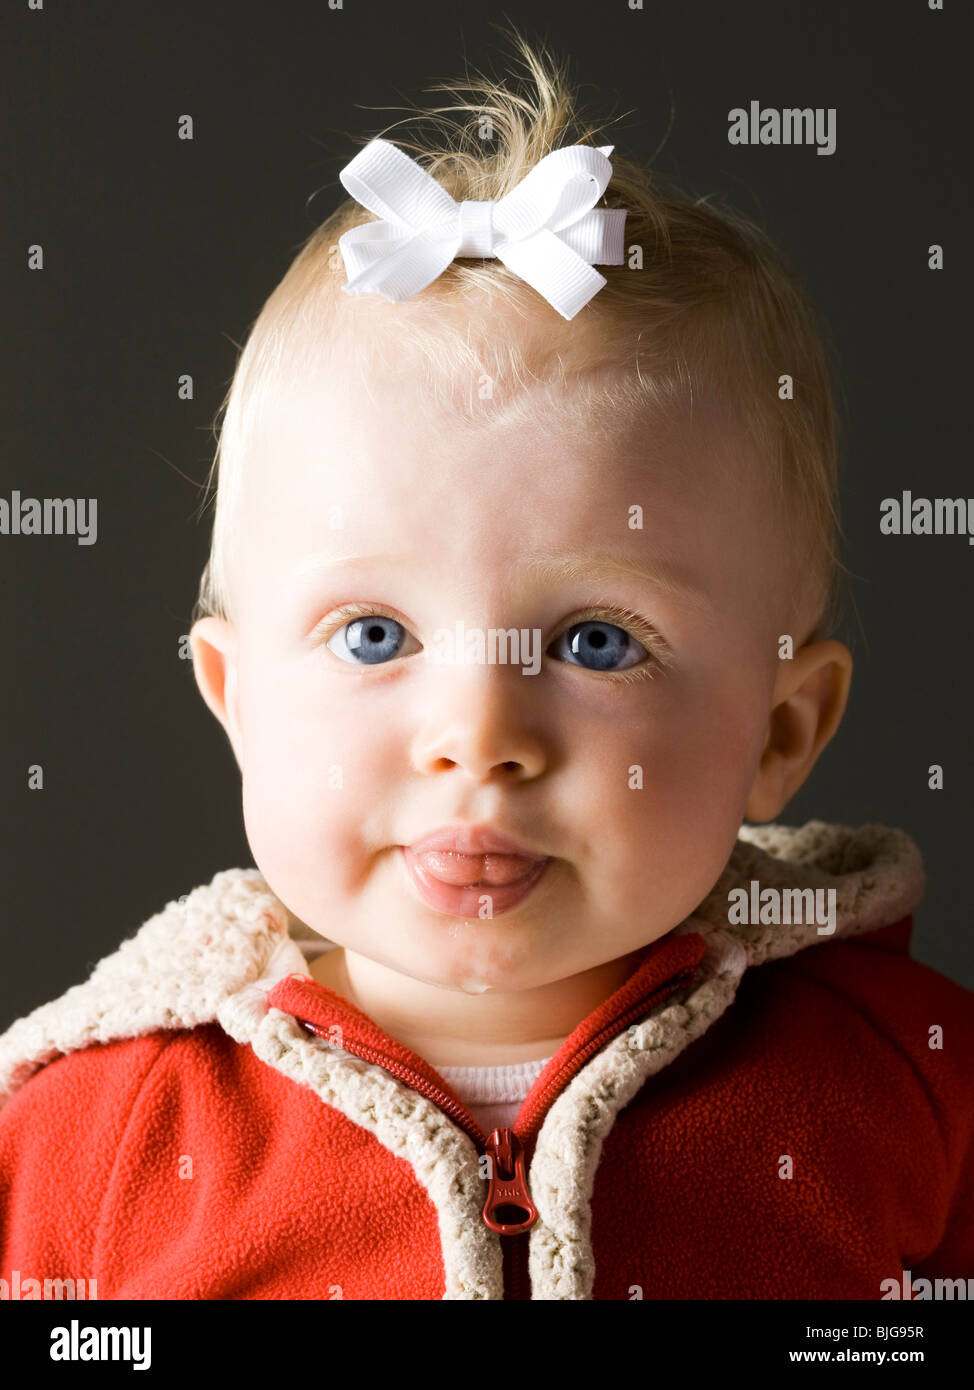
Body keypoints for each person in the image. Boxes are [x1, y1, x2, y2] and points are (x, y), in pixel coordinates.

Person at [1, 30, 971, 1300]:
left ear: (781, 731)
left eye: (595, 642)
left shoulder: (899, 1083)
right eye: (373, 635)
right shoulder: (103, 1136)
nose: (477, 732)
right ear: (237, 702)